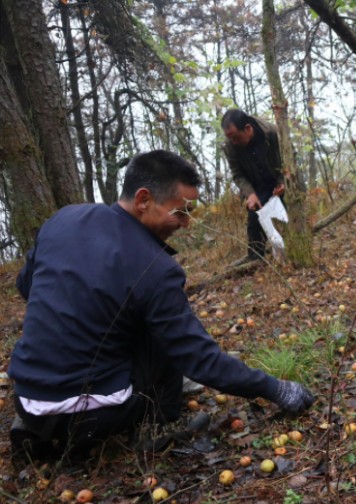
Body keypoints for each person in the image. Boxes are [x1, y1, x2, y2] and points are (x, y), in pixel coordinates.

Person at [7, 150, 315, 459]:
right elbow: (199, 358)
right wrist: (275, 389)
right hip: (95, 417)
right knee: (162, 340)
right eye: (181, 212)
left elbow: (27, 287)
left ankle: (38, 426)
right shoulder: (154, 268)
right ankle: (159, 424)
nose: (186, 223)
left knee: (134, 320)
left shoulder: (64, 219)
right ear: (144, 200)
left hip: (27, 399)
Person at [221, 109, 285, 263]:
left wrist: (283, 181)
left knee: (287, 217)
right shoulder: (231, 146)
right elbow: (237, 174)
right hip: (258, 185)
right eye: (230, 138)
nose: (233, 142)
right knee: (254, 217)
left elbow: (290, 158)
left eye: (236, 137)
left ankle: (289, 248)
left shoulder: (272, 133)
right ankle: (256, 259)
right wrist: (249, 193)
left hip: (280, 179)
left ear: (248, 128)